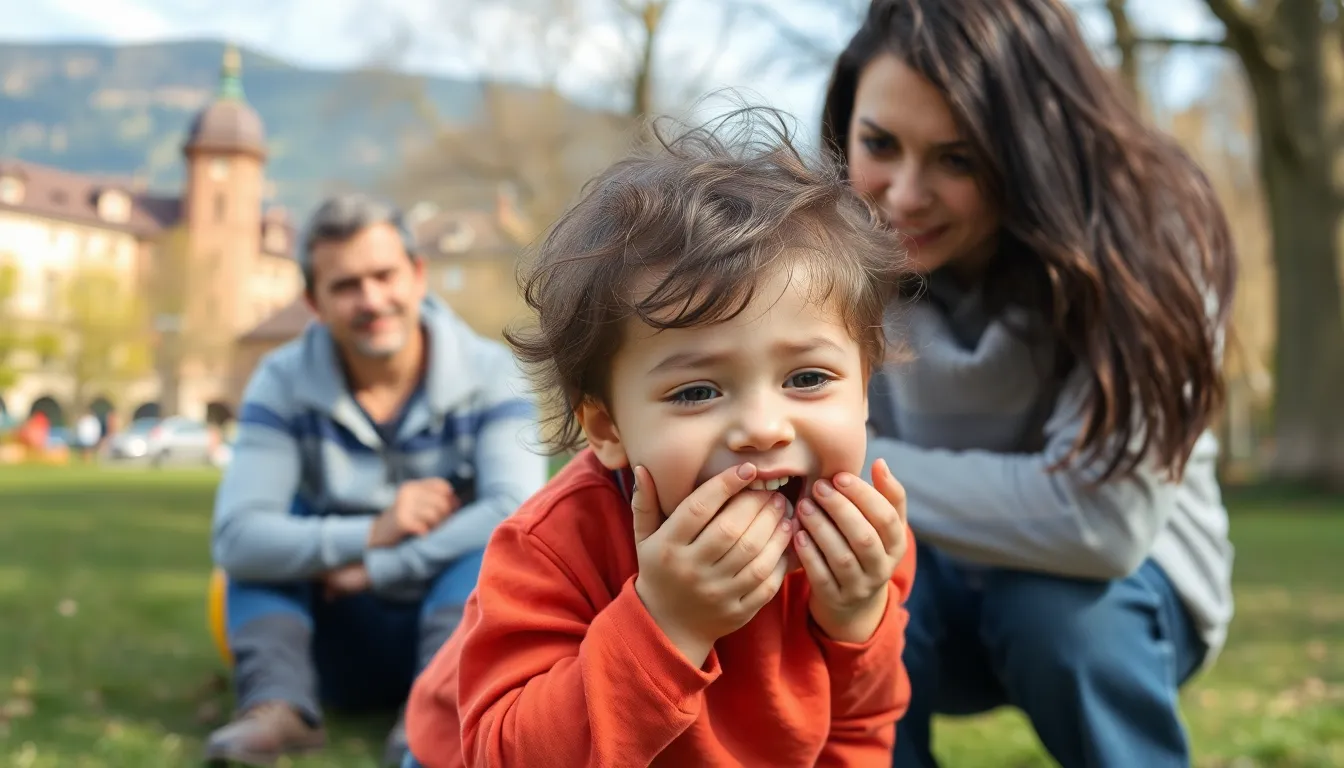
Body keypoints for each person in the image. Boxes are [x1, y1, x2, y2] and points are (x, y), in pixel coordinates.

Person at [402, 110, 918, 768]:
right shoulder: (555, 547)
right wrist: (668, 623)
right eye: (697, 391)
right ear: (607, 428)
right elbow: (506, 754)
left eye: (808, 378)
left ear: (865, 390)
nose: (763, 428)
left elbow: (859, 730)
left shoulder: (863, 547)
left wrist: (857, 621)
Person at [820, 1, 1239, 766]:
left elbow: (1103, 524)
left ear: (1030, 150)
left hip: (1124, 598)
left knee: (1056, 615)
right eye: (879, 143)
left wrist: (850, 462)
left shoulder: (1149, 237)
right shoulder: (821, 246)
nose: (904, 196)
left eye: (960, 158)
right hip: (924, 583)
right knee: (841, 595)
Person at [204, 194, 548, 767]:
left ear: (417, 275)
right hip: (328, 637)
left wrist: (381, 565)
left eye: (384, 275)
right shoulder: (281, 381)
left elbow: (516, 511)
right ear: (314, 302)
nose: (371, 300)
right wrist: (373, 530)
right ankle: (276, 705)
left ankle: (430, 722)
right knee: (268, 531)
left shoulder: (493, 372)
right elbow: (236, 538)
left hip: (458, 633)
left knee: (498, 543)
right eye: (345, 286)